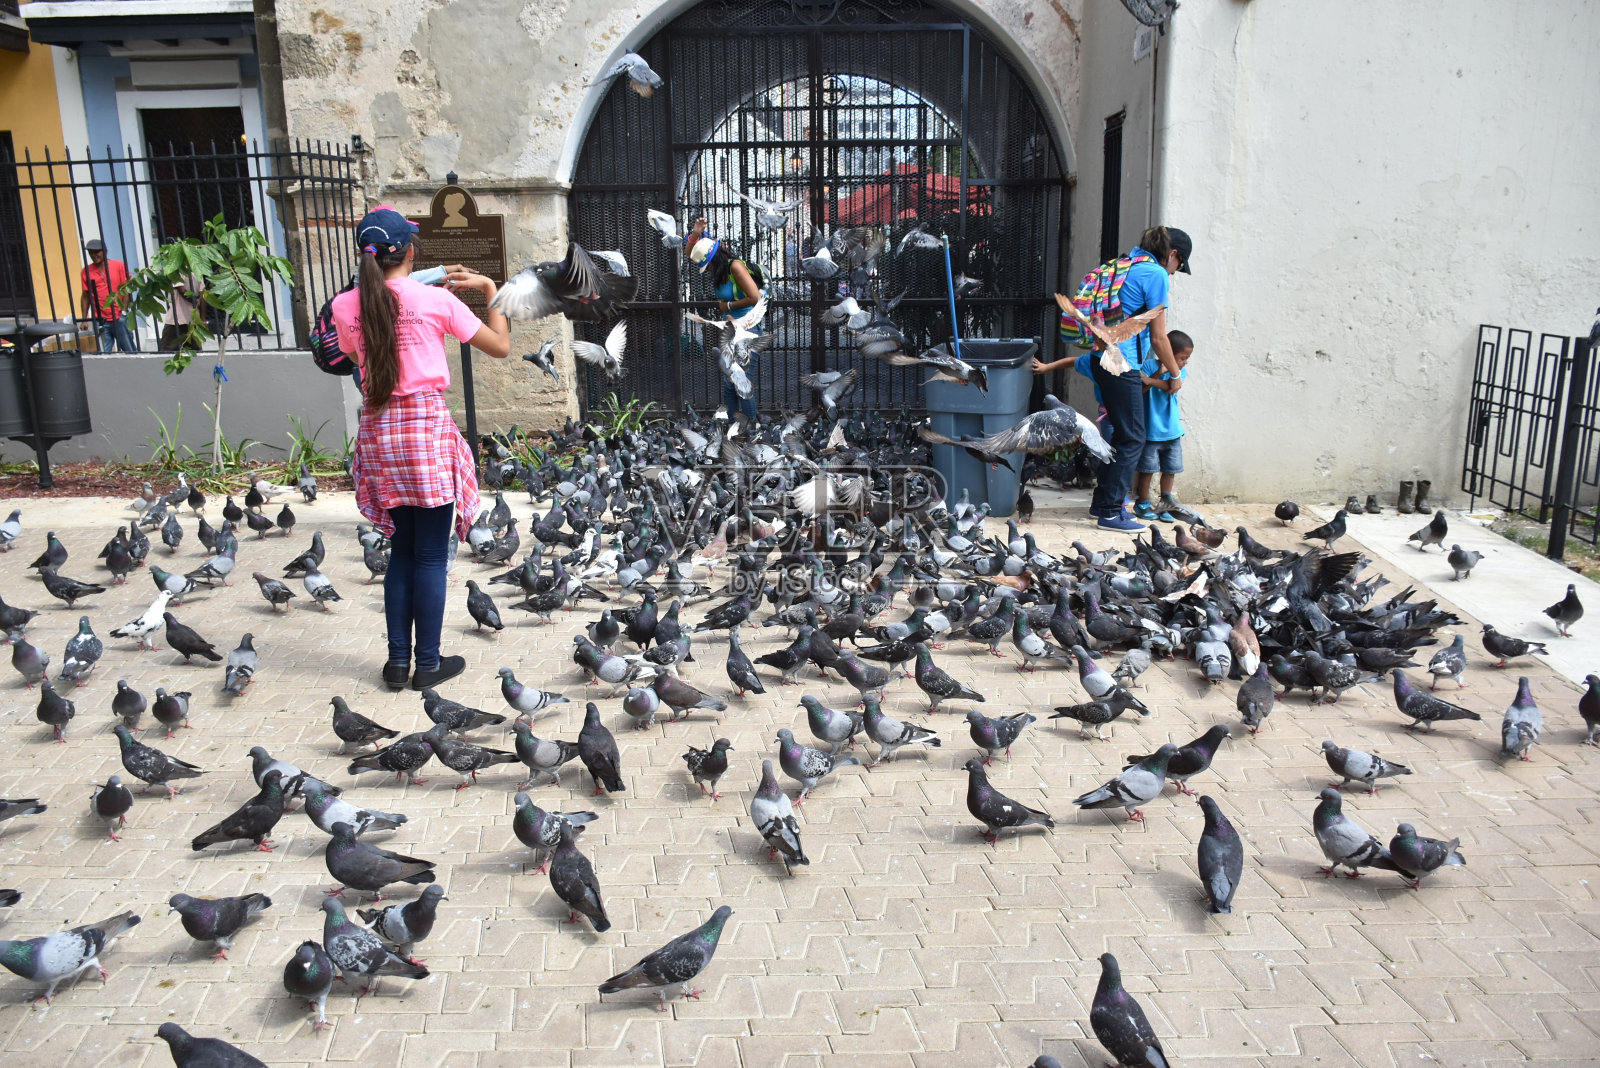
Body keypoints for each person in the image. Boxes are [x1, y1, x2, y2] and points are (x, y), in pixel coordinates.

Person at [331, 205, 510, 691]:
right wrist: (493, 292)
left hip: (378, 430)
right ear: (411, 252)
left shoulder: (346, 306)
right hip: (423, 429)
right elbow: (499, 345)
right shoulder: (435, 302)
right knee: (431, 555)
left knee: (404, 550)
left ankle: (395, 664)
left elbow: (353, 354)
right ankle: (427, 665)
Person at [1033, 225, 1192, 531]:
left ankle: (1101, 503)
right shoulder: (1155, 274)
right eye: (1179, 265)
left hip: (1099, 358)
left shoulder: (1120, 265)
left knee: (1122, 434)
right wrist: (1175, 373)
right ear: (1172, 254)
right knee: (1133, 437)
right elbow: (1160, 338)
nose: (1174, 272)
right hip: (1122, 365)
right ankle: (1109, 511)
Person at [685, 217, 764, 422]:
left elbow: (754, 297)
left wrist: (727, 306)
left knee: (740, 382)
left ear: (715, 260)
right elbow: (690, 254)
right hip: (730, 329)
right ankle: (734, 427)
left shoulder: (735, 267)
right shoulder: (719, 270)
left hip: (747, 330)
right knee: (730, 382)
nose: (708, 270)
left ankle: (751, 428)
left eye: (708, 266)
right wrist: (695, 233)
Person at [1133, 329, 1193, 522]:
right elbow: (1141, 389)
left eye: (1186, 359)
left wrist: (1151, 379)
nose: (1184, 363)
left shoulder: (1179, 373)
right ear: (1166, 352)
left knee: (1170, 470)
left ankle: (1165, 504)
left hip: (1172, 431)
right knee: (1147, 469)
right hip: (1151, 431)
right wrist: (1158, 373)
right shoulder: (1149, 365)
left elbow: (1170, 387)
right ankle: (1142, 503)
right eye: (1182, 358)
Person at [80, 238, 136, 353]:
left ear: (105, 251)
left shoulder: (118, 266)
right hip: (100, 319)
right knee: (104, 354)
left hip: (119, 316)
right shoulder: (86, 271)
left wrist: (124, 312)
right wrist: (84, 319)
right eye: (91, 252)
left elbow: (127, 289)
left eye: (97, 252)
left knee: (129, 351)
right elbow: (85, 296)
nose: (93, 255)